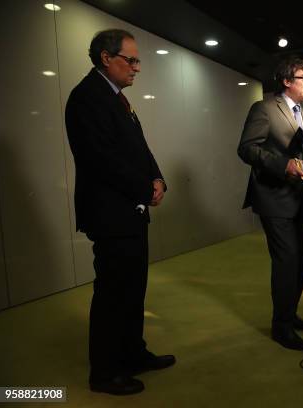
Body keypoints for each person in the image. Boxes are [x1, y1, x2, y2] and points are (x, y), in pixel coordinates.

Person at [65, 29, 174, 395]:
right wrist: (144, 187)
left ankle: (133, 354)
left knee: (132, 290)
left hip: (131, 211)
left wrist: (156, 177)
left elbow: (138, 147)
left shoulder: (118, 99)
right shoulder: (86, 98)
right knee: (113, 294)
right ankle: (104, 373)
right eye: (131, 60)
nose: (136, 68)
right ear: (105, 58)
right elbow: (100, 160)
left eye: (137, 60)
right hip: (110, 214)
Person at [237, 57, 303, 351]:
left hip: (299, 196)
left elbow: (300, 150)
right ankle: (281, 327)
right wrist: (283, 165)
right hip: (273, 197)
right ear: (286, 81)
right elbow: (247, 149)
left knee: (299, 262)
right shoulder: (263, 108)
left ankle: (291, 314)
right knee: (286, 263)